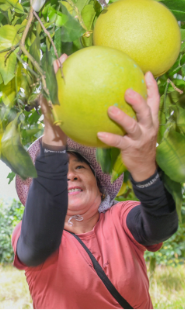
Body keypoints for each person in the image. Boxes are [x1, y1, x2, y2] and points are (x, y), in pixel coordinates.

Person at [13, 55, 179, 310]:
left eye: (80, 167)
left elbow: (160, 227)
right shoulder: (32, 231)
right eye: (60, 172)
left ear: (101, 188)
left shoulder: (119, 218)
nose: (70, 174)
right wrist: (53, 146)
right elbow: (35, 245)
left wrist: (145, 169)